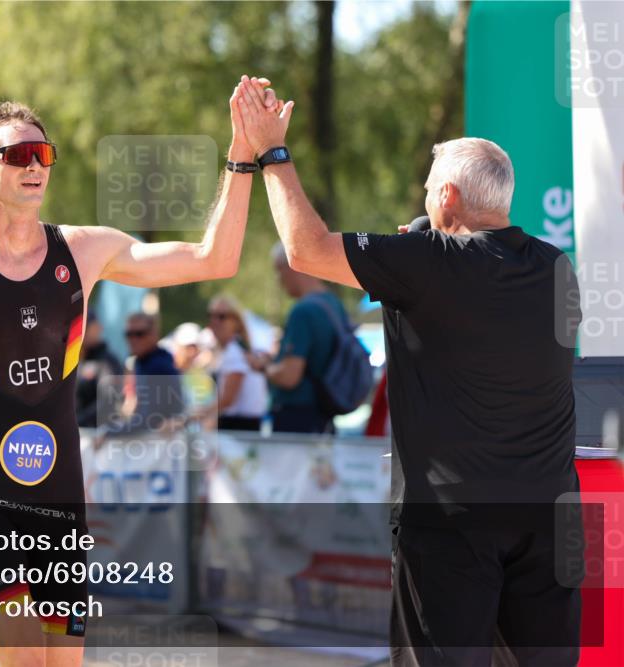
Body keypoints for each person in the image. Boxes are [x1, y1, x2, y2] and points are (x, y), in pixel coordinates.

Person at [0, 86, 270, 667]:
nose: (35, 165)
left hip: (60, 503)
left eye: (43, 154)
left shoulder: (85, 252)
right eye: (17, 156)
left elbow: (215, 259)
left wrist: (242, 155)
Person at [235, 76, 582, 665]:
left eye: (427, 193)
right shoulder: (556, 267)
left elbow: (305, 248)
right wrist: (414, 262)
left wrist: (271, 152)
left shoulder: (426, 264)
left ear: (447, 196)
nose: (423, 202)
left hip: (451, 520)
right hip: (549, 514)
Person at [252, 242, 351, 434]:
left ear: (293, 265)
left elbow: (290, 376)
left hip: (298, 420)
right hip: (325, 416)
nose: (279, 280)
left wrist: (264, 367)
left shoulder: (303, 311)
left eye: (279, 271)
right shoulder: (333, 304)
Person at [206, 295, 267, 432]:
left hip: (238, 427)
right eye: (211, 315)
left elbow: (227, 400)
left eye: (221, 316)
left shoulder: (235, 352)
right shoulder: (240, 347)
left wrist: (192, 416)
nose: (214, 321)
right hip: (246, 426)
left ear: (236, 321)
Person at [74, 312, 123, 428]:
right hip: (78, 431)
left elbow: (108, 401)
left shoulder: (107, 361)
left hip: (99, 434)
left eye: (85, 327)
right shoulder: (74, 360)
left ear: (98, 328)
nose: (81, 333)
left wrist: (77, 422)